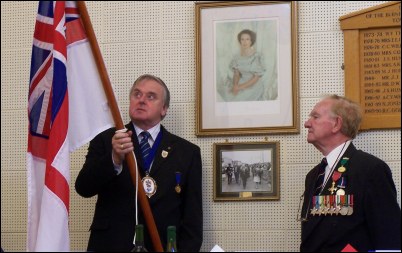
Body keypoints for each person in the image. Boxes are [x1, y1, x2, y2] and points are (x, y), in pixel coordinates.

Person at [75, 74, 203, 252]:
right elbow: (83, 188)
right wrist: (114, 158)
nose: (141, 100)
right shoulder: (106, 139)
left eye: (151, 96)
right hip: (112, 245)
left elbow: (192, 220)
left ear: (164, 109)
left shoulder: (187, 152)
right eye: (137, 94)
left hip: (161, 245)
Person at [300, 95, 401, 252]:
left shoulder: (370, 170)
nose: (307, 124)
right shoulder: (314, 175)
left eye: (315, 116)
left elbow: (389, 238)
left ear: (336, 124)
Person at [219, 29, 266, 102]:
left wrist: (239, 87)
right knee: (227, 94)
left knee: (238, 99)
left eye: (247, 39)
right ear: (240, 41)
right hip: (242, 81)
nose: (244, 42)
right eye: (242, 39)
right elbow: (236, 74)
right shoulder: (237, 57)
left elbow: (255, 78)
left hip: (254, 85)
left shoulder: (256, 56)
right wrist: (235, 85)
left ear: (251, 41)